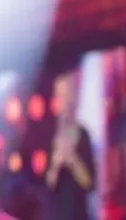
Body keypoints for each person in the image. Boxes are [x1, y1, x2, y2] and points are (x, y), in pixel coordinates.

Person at [45, 70, 96, 220]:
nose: (65, 101)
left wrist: (72, 159)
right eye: (60, 95)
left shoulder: (82, 134)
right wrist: (56, 163)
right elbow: (47, 186)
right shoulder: (49, 135)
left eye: (67, 95)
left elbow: (90, 184)